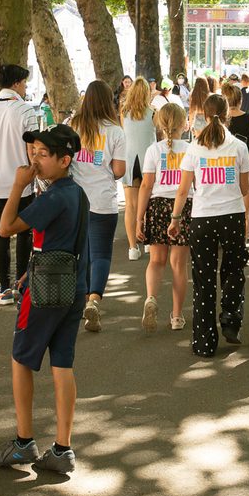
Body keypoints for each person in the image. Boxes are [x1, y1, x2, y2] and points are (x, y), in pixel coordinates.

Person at [0, 124, 87, 474]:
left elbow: (5, 227)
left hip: (45, 290)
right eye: (34, 152)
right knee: (62, 364)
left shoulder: (53, 196)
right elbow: (69, 242)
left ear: (65, 159)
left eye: (43, 155)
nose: (35, 160)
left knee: (20, 359)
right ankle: (62, 449)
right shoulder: (76, 193)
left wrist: (17, 185)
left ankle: (24, 441)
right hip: (71, 284)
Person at [168, 94, 249, 357]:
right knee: (233, 269)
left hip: (202, 219)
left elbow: (182, 191)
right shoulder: (238, 146)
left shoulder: (194, 148)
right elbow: (244, 187)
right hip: (232, 216)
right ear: (227, 115)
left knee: (204, 280)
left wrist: (175, 219)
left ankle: (204, 342)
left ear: (204, 115)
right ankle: (230, 316)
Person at [0, 64, 40, 306]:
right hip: (21, 181)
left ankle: (3, 287)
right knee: (24, 233)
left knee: (0, 235)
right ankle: (21, 285)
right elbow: (32, 149)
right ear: (16, 83)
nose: (25, 88)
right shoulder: (26, 111)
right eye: (24, 83)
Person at [70, 80, 126, 332]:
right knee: (101, 253)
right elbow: (119, 170)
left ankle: (82, 299)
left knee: (81, 253)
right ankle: (94, 299)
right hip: (103, 199)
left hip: (75, 200)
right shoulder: (115, 131)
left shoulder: (72, 126)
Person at [136, 104, 192, 332]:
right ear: (182, 124)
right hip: (184, 206)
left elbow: (146, 186)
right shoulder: (191, 148)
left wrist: (139, 218)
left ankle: (151, 298)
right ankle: (177, 316)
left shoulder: (153, 150)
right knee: (179, 265)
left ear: (159, 123)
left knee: (156, 261)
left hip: (158, 205)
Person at [221, 83, 249, 237]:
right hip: (248, 164)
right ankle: (242, 247)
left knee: (225, 211)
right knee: (244, 213)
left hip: (224, 167)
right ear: (240, 100)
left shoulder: (220, 121)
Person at [120, 78, 155, 261]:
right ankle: (147, 241)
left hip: (129, 159)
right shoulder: (153, 113)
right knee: (148, 202)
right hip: (148, 160)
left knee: (130, 205)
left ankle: (133, 247)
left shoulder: (124, 112)